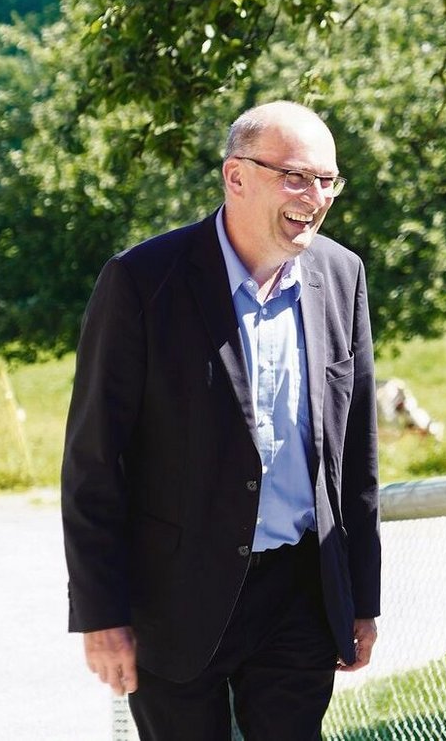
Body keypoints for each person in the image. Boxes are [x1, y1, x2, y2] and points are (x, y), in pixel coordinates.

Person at [61, 101, 381, 740]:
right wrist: (102, 614)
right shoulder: (142, 281)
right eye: (295, 176)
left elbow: (356, 455)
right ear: (236, 176)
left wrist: (361, 598)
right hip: (175, 598)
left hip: (301, 594)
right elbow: (94, 462)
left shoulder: (341, 276)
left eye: (327, 181)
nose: (314, 196)